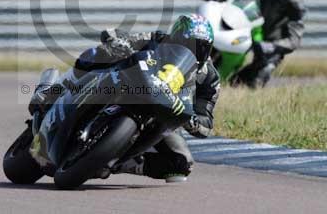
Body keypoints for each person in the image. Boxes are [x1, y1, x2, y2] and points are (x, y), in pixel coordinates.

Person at [28, 14, 221, 182]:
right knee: (95, 55)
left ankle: (118, 163)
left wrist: (193, 121)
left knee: (181, 164)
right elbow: (121, 36)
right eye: (186, 43)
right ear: (174, 37)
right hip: (129, 84)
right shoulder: (157, 40)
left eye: (200, 47)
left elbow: (206, 122)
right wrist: (119, 42)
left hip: (162, 112)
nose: (191, 51)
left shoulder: (209, 79)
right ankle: (52, 91)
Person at [200, 0, 306, 87]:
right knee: (219, 43)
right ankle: (208, 75)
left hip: (272, 45)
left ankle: (235, 87)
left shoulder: (295, 6)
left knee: (259, 76)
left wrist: (272, 46)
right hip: (252, 32)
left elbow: (294, 40)